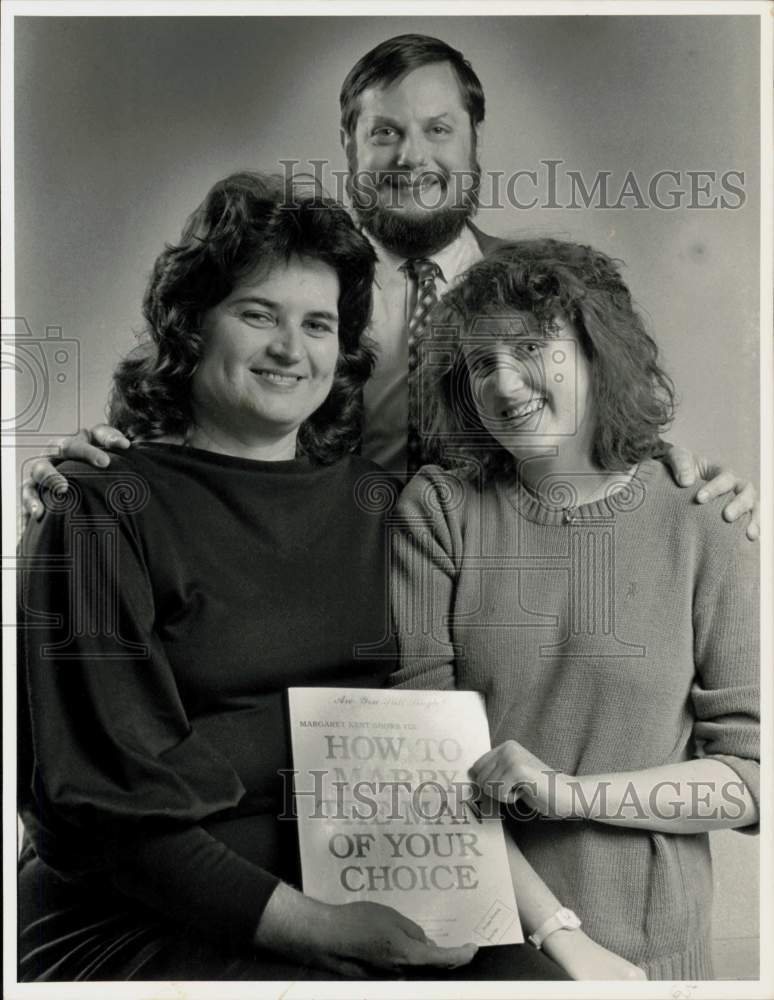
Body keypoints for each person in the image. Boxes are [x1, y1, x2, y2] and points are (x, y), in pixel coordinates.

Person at [19, 171, 641, 983]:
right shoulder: (98, 507)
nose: (290, 348)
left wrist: (678, 481)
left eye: (317, 324)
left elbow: (562, 500)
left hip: (377, 884)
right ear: (191, 326)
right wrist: (324, 930)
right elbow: (103, 813)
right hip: (147, 916)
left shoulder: (388, 504)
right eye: (256, 314)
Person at [22, 34, 760, 527]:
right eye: (386, 133)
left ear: (474, 141)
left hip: (492, 614)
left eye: (439, 129)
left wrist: (688, 482)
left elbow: (613, 428)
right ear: (348, 143)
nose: (414, 157)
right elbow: (161, 409)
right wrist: (83, 471)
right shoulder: (288, 291)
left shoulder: (553, 291)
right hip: (314, 614)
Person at [389, 238, 760, 979]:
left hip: (654, 959)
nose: (505, 382)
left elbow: (750, 779)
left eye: (532, 347)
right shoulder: (439, 510)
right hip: (481, 946)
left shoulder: (703, 519)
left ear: (598, 353)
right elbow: (423, 766)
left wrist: (567, 794)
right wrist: (559, 935)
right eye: (481, 363)